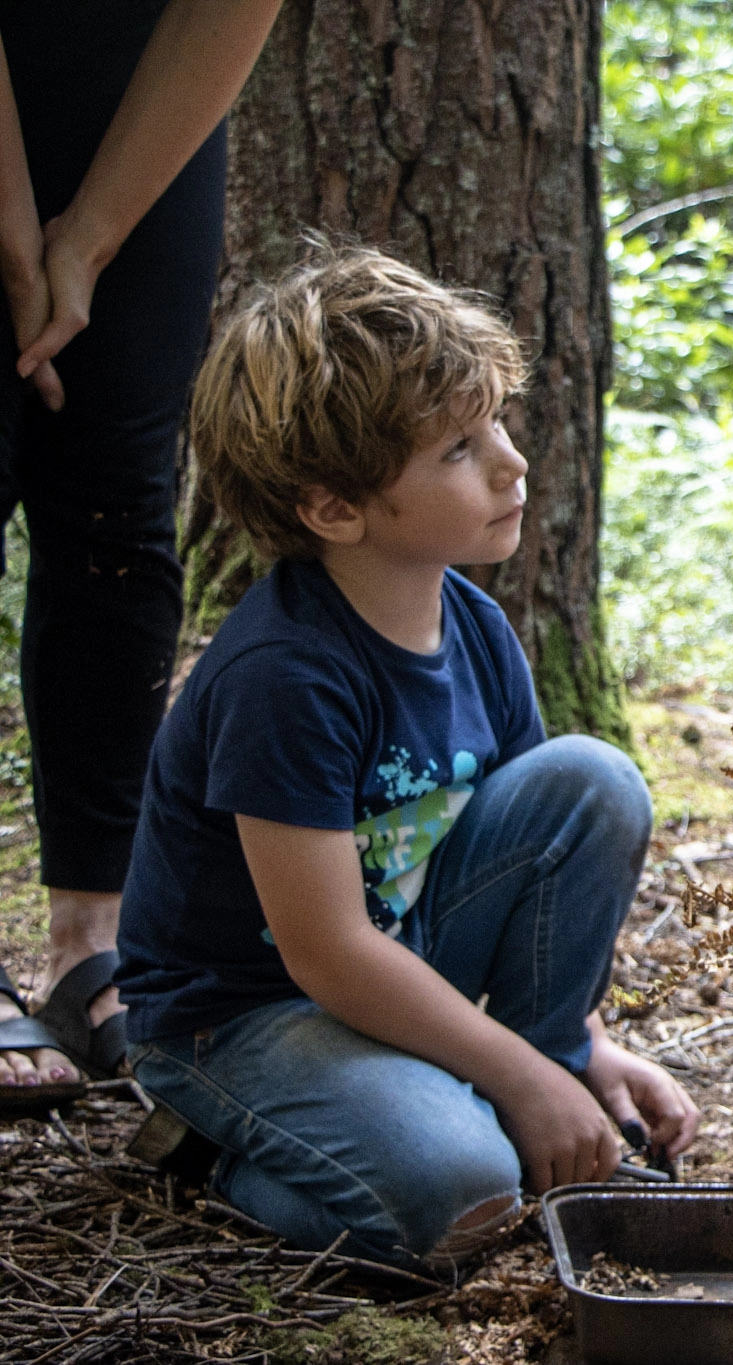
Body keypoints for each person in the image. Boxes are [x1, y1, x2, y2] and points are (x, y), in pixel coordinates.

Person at [111, 247, 698, 1269]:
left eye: (497, 426)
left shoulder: (470, 625)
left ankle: (522, 1092)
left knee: (589, 779)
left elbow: (529, 857)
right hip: (244, 1017)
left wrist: (577, 1054)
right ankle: (215, 1155)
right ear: (334, 507)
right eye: (459, 450)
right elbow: (324, 953)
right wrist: (518, 1082)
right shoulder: (284, 676)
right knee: (463, 1195)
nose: (512, 463)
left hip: (400, 950)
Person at [0, 0, 283, 1108]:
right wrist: (19, 238)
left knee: (119, 509)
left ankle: (91, 944)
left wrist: (89, 235)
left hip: (140, 101)